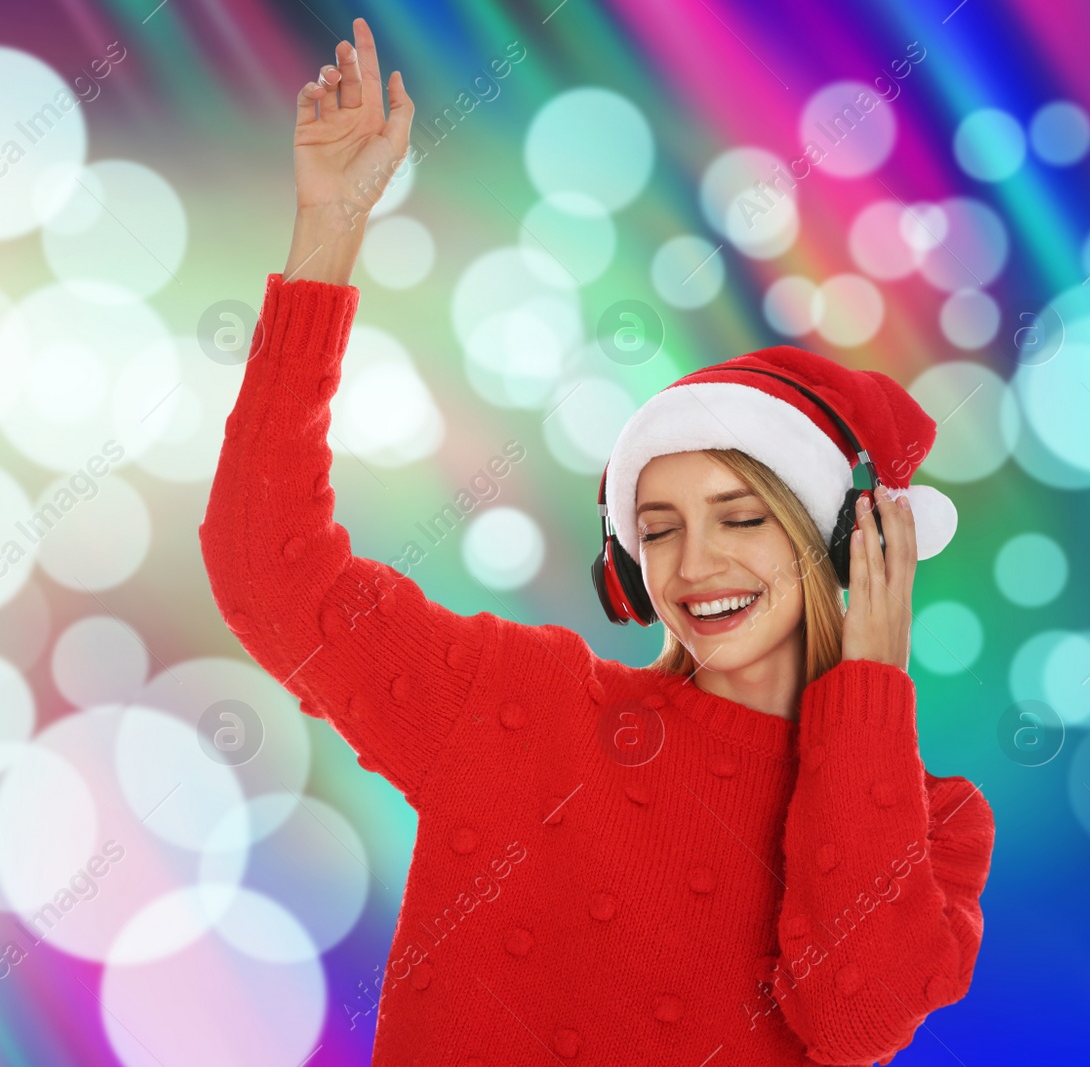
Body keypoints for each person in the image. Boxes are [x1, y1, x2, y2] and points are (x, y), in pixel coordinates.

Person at [200, 17, 995, 1065]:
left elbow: (849, 1021)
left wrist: (867, 693)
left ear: (850, 543)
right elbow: (269, 570)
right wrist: (330, 233)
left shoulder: (935, 821)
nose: (692, 564)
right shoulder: (524, 707)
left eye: (742, 516)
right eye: (655, 529)